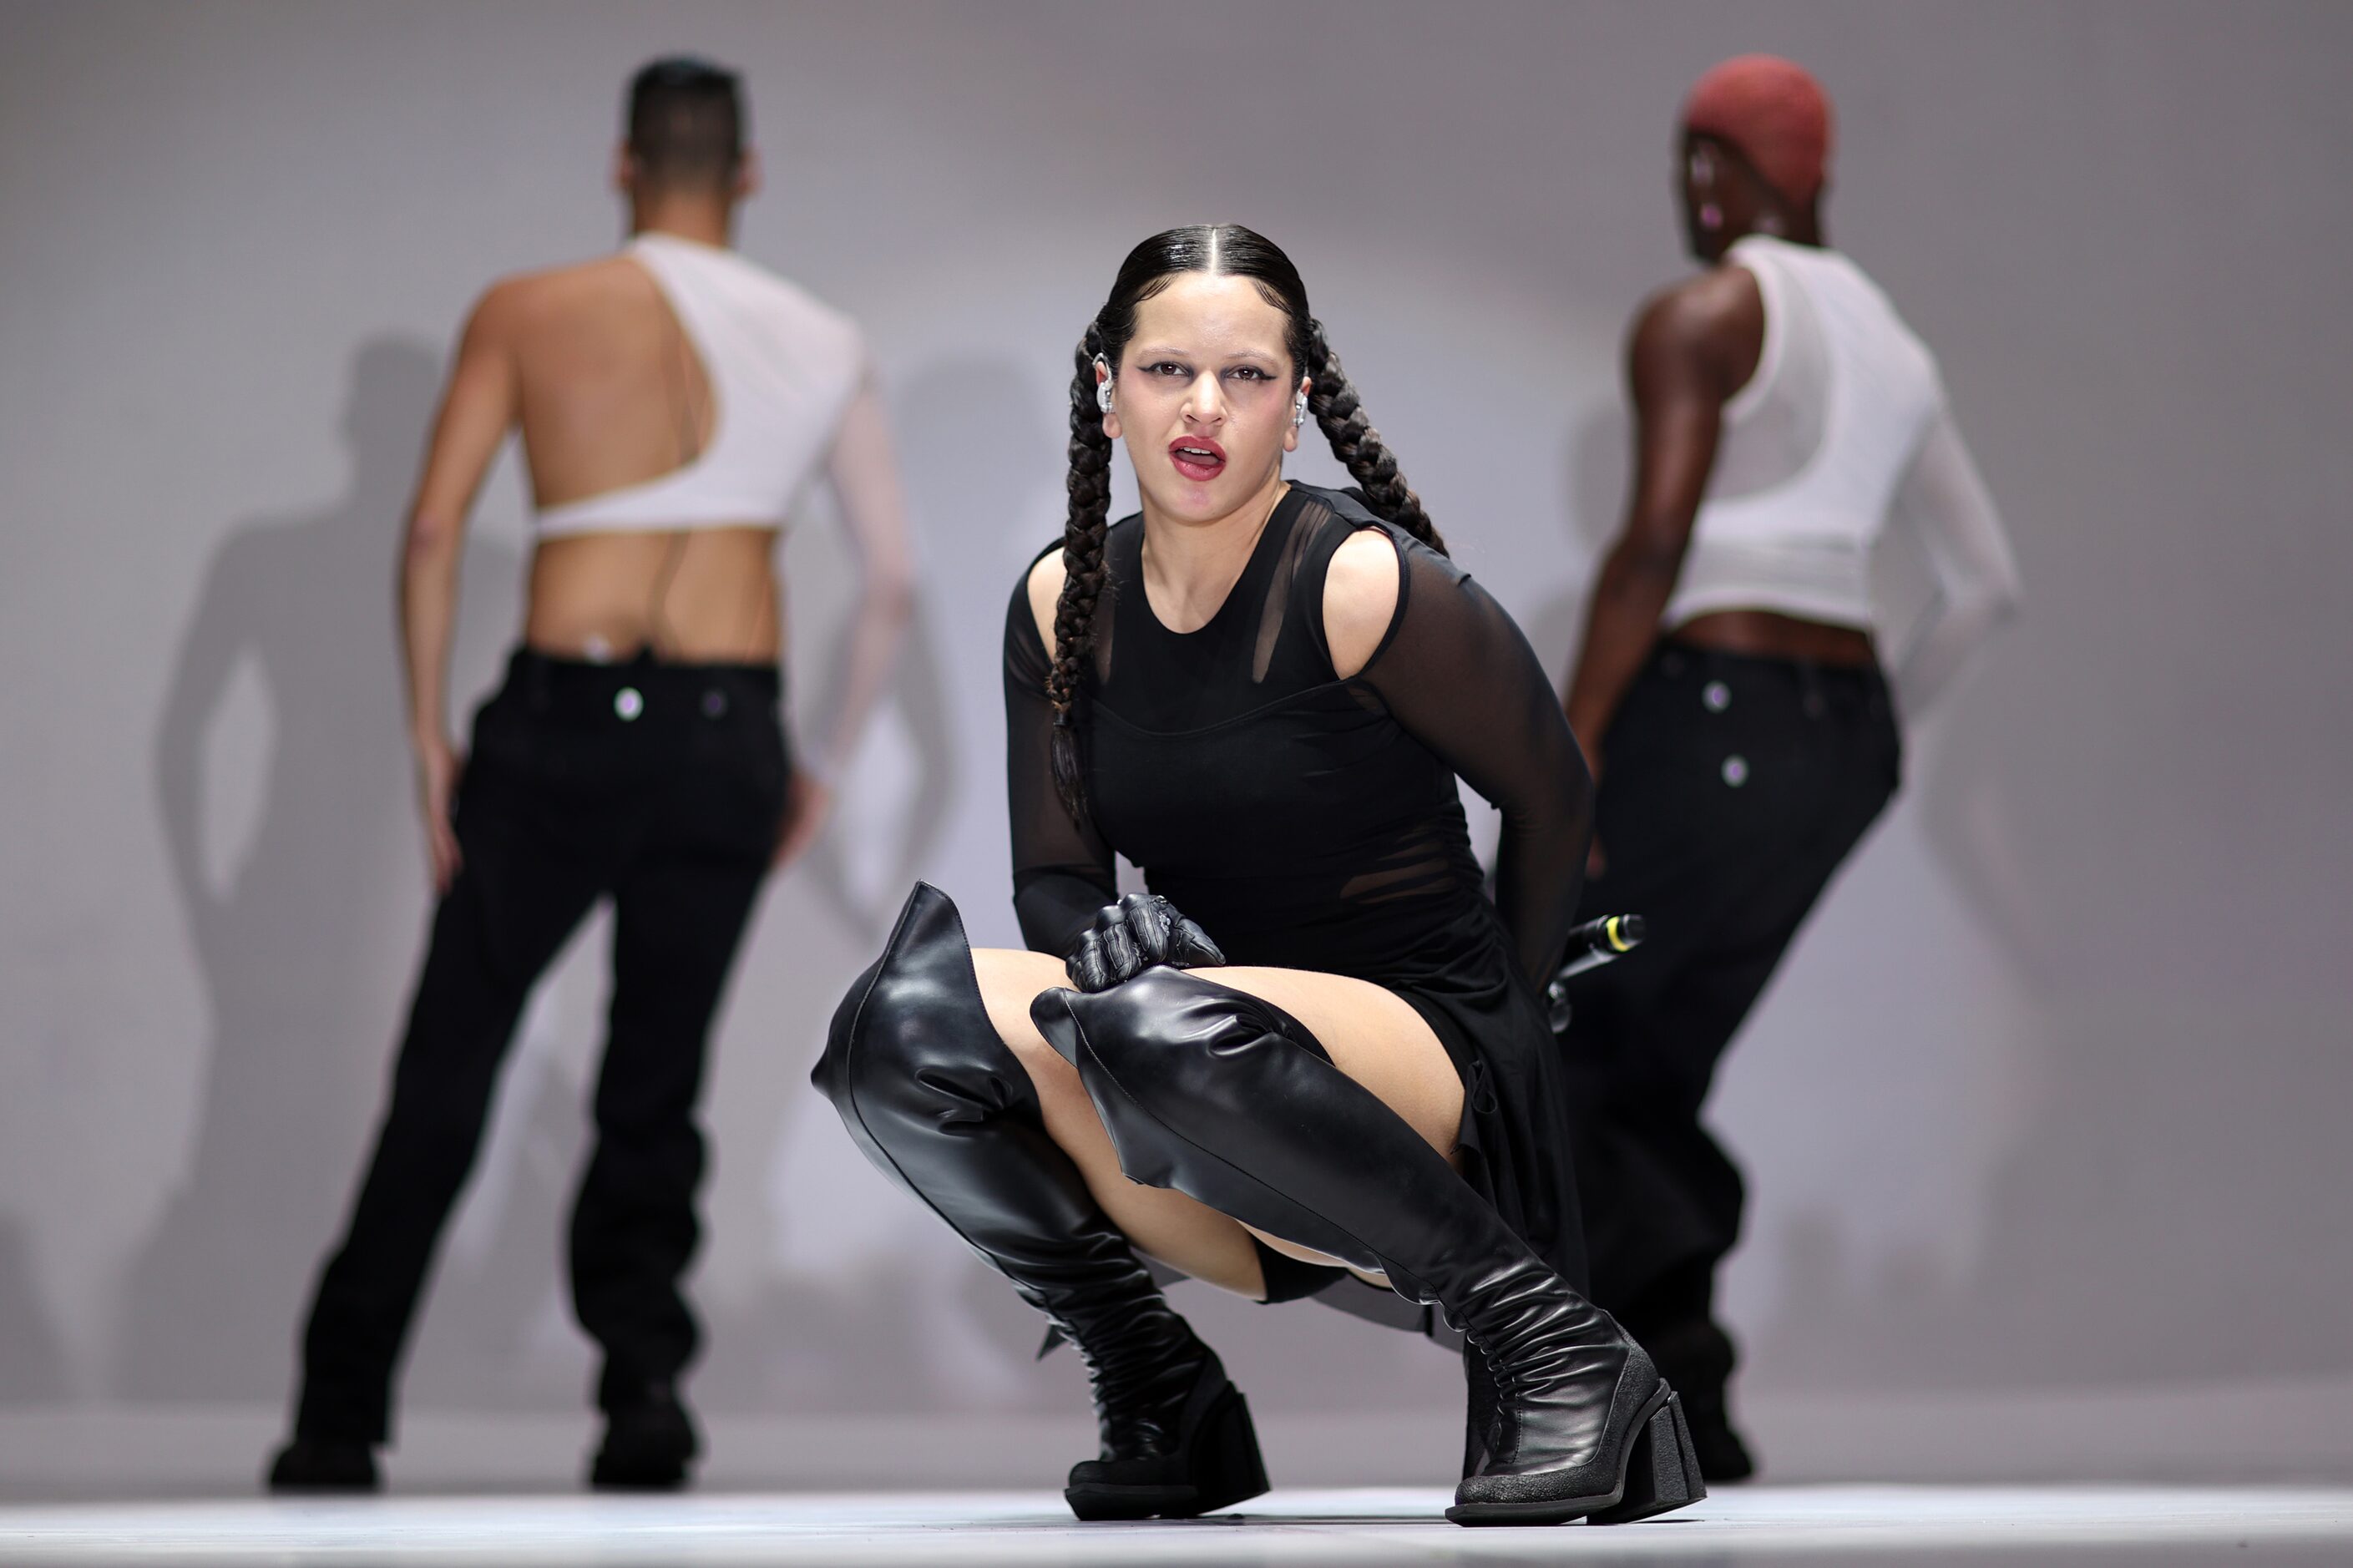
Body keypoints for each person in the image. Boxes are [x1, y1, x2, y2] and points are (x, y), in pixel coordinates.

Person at [813, 225, 1706, 1528]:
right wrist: (1115, 941)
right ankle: (1157, 1385)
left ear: (1296, 413)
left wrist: (1509, 1024)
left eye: (1245, 378)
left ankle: (1556, 1343)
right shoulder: (1063, 603)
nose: (1202, 408)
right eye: (1168, 369)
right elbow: (1055, 878)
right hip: (1181, 1047)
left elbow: (1552, 790)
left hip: (1413, 1041)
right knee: (891, 1030)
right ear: (1108, 390)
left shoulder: (1358, 582)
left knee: (1157, 1024)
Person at [268, 56, 914, 1492]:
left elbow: (433, 533)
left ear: (622, 164)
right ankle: (641, 1401)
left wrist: (429, 734)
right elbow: (889, 583)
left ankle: (336, 1414)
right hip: (724, 732)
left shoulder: (527, 311)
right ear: (748, 174)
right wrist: (818, 760)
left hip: (554, 724)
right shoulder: (820, 336)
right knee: (655, 1077)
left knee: (448, 1063)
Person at [1557, 54, 2022, 1482]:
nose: (1691, 195)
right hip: (1825, 751)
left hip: (1708, 719)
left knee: (1582, 1016)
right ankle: (1674, 1394)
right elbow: (1988, 584)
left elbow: (1649, 548)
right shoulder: (1894, 344)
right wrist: (1875, 736)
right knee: (1645, 1043)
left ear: (1727, 171)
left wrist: (1564, 762)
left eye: (1700, 163)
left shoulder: (1700, 316)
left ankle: (1655, 1398)